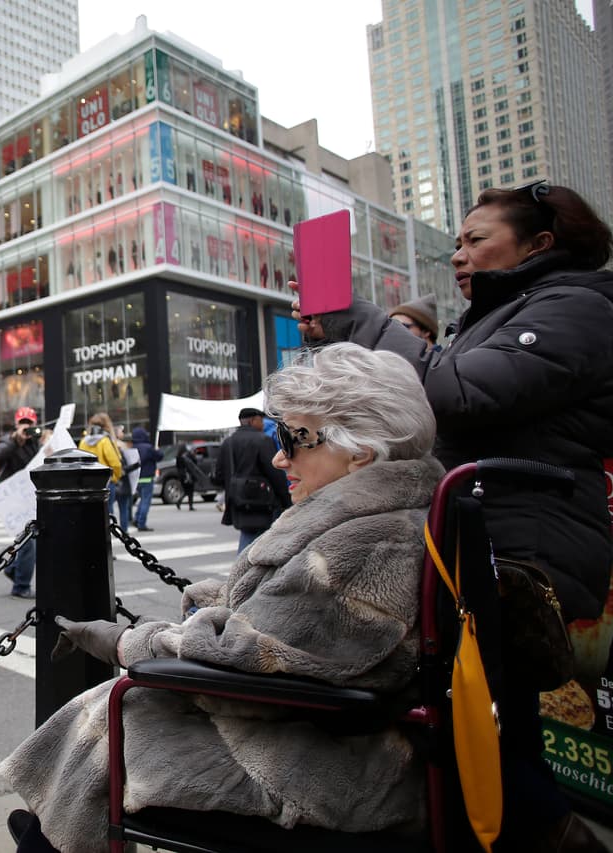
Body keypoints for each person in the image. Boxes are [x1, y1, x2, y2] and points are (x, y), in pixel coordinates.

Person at [0, 344, 444, 853]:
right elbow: (298, 626)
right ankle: (55, 826)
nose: (280, 456)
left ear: (360, 450)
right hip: (324, 732)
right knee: (117, 716)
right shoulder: (375, 517)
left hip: (333, 765)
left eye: (293, 439)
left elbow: (251, 664)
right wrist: (218, 599)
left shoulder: (371, 541)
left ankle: (54, 835)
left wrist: (126, 643)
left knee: (114, 717)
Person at [293, 181, 613, 850]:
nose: (459, 255)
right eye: (456, 244)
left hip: (521, 551)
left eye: (475, 240)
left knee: (473, 721)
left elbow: (457, 392)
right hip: (475, 541)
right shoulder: (498, 315)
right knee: (488, 726)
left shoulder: (577, 306)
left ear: (539, 243)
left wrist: (358, 317)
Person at [216, 407, 290, 553]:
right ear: (252, 420)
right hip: (262, 501)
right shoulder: (262, 440)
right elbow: (274, 473)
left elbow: (218, 475)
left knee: (249, 537)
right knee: (259, 542)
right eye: (260, 420)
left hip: (237, 500)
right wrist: (286, 500)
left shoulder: (228, 442)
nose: (263, 423)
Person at [0, 406, 42, 598]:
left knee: (30, 541)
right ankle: (21, 586)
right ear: (16, 424)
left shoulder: (35, 442)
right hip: (15, 500)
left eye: (29, 424)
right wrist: (16, 440)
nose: (26, 427)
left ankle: (14, 569)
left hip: (31, 497)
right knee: (29, 543)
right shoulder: (9, 440)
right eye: (23, 423)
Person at [77, 411, 127, 531]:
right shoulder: (105, 441)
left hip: (87, 483)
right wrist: (116, 477)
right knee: (108, 512)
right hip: (106, 482)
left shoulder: (83, 441)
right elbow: (115, 463)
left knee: (91, 514)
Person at [129, 426, 162, 531]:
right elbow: (160, 456)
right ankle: (141, 523)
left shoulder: (132, 448)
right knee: (145, 501)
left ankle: (137, 519)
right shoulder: (148, 448)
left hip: (136, 479)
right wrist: (157, 450)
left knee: (141, 500)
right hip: (147, 478)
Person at [174, 444, 205, 510]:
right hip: (187, 476)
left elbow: (178, 467)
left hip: (181, 476)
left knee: (186, 491)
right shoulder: (186, 457)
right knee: (190, 491)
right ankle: (190, 506)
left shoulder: (178, 457)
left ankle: (179, 502)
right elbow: (192, 465)